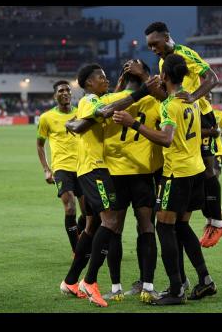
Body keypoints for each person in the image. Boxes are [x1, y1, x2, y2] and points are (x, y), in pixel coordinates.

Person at [113, 54, 217, 305]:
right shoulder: (191, 98)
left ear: (167, 77)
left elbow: (166, 138)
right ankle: (205, 280)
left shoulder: (169, 105)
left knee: (163, 226)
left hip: (177, 173)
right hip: (195, 170)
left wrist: (133, 123)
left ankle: (176, 289)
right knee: (181, 226)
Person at [59, 63, 151, 307]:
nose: (105, 78)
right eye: (100, 76)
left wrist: (74, 123)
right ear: (89, 83)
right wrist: (141, 92)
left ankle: (69, 281)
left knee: (92, 225)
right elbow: (108, 108)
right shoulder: (89, 100)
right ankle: (89, 282)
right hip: (94, 169)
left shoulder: (90, 102)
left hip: (93, 169)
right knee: (110, 221)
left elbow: (87, 120)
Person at [142, 21, 222, 248]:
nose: (153, 49)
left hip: (202, 114)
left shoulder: (186, 53)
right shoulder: (163, 61)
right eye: (149, 46)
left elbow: (213, 78)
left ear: (166, 37)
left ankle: (217, 222)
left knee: (208, 171)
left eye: (155, 43)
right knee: (196, 170)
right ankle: (204, 216)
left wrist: (194, 96)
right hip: (186, 117)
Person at [99, 59, 161, 303]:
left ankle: (115, 290)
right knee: (146, 227)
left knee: (114, 229)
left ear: (122, 79)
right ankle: (147, 287)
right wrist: (147, 78)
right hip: (143, 174)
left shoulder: (108, 101)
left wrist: (119, 87)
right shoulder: (154, 101)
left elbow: (103, 112)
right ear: (145, 75)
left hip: (113, 174)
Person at [36, 80, 86, 254]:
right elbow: (40, 144)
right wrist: (46, 169)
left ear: (71, 94)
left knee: (88, 213)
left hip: (83, 166)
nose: (65, 93)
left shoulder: (81, 112)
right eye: (61, 91)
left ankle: (78, 233)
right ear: (55, 95)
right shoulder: (46, 118)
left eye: (67, 90)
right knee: (70, 206)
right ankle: (77, 250)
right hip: (61, 168)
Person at [213, 107, 222, 178]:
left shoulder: (219, 113)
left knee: (215, 174)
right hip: (202, 150)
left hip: (218, 151)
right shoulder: (197, 112)